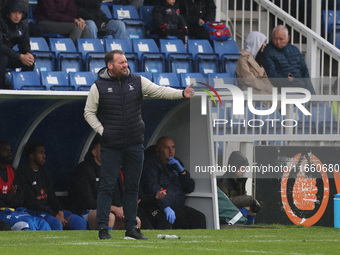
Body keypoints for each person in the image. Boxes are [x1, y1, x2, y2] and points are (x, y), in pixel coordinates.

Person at [84, 49, 194, 240]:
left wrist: (181, 94)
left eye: (126, 61)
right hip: (111, 145)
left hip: (135, 144)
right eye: (121, 63)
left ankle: (131, 228)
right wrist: (104, 132)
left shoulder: (137, 81)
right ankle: (103, 228)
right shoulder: (98, 86)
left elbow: (159, 91)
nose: (125, 65)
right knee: (107, 186)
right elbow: (88, 112)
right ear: (110, 65)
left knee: (133, 187)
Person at [17, 141, 87, 231]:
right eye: (41, 153)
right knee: (56, 223)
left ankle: (77, 245)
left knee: (80, 222)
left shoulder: (45, 173)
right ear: (31, 155)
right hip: (33, 210)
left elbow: (52, 196)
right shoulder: (23, 172)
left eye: (44, 153)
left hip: (49, 209)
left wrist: (59, 211)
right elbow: (30, 201)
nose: (44, 156)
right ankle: (57, 245)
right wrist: (54, 214)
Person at [141, 136, 206, 229]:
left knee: (199, 218)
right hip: (157, 207)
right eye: (167, 147)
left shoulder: (176, 163)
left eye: (173, 147)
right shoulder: (150, 164)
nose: (171, 151)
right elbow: (152, 187)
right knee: (164, 221)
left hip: (176, 207)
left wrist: (182, 171)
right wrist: (165, 207)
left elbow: (189, 187)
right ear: (158, 150)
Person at [0, 141, 51, 231]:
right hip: (2, 213)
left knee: (42, 223)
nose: (9, 153)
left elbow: (20, 198)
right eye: (5, 150)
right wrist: (10, 197)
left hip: (15, 211)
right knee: (27, 224)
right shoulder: (23, 171)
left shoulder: (12, 171)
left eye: (10, 151)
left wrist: (6, 198)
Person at [68, 137, 116, 230]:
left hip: (106, 209)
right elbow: (87, 202)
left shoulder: (109, 171)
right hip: (84, 211)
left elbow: (115, 195)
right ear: (94, 152)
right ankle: (105, 240)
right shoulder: (84, 169)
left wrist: (119, 208)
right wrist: (112, 208)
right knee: (108, 216)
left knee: (134, 220)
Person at [262, 25, 316, 94]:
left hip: (302, 87)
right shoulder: (268, 51)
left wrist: (310, 90)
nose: (278, 42)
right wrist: (287, 79)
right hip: (284, 89)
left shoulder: (295, 50)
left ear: (288, 38)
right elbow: (271, 74)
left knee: (317, 102)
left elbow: (304, 71)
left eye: (281, 39)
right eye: (275, 39)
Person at [217, 151, 262, 225]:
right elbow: (226, 202)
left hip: (234, 208)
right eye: (242, 168)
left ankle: (248, 227)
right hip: (228, 213)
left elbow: (243, 197)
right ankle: (241, 225)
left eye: (245, 169)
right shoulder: (223, 182)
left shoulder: (240, 181)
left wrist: (250, 201)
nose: (243, 171)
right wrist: (249, 200)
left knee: (252, 208)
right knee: (247, 206)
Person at [0, 0, 34, 89]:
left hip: (9, 56)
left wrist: (27, 53)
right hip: (2, 55)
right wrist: (20, 56)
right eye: (14, 12)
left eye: (20, 13)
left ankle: (25, 87)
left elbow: (25, 43)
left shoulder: (23, 23)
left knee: (29, 61)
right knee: (2, 58)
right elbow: (1, 46)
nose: (17, 16)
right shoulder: (1, 21)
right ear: (8, 12)